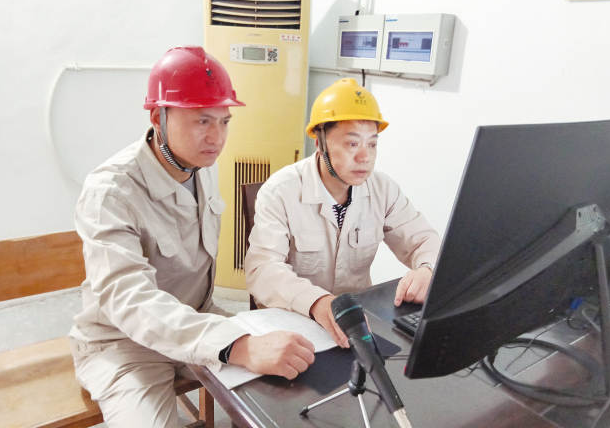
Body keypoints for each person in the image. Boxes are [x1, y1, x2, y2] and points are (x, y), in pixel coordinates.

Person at [68, 46, 314, 428]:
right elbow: (129, 300)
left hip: (198, 319)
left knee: (296, 376)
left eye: (224, 121)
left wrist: (238, 339)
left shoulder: (199, 166)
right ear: (158, 117)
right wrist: (237, 345)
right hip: (124, 344)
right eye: (202, 121)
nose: (217, 137)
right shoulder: (111, 191)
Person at [245, 78, 441, 347]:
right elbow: (263, 270)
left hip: (357, 323)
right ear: (320, 142)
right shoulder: (280, 191)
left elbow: (424, 239)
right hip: (295, 323)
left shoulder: (382, 189)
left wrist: (427, 269)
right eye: (352, 144)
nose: (365, 157)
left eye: (372, 144)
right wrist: (317, 302)